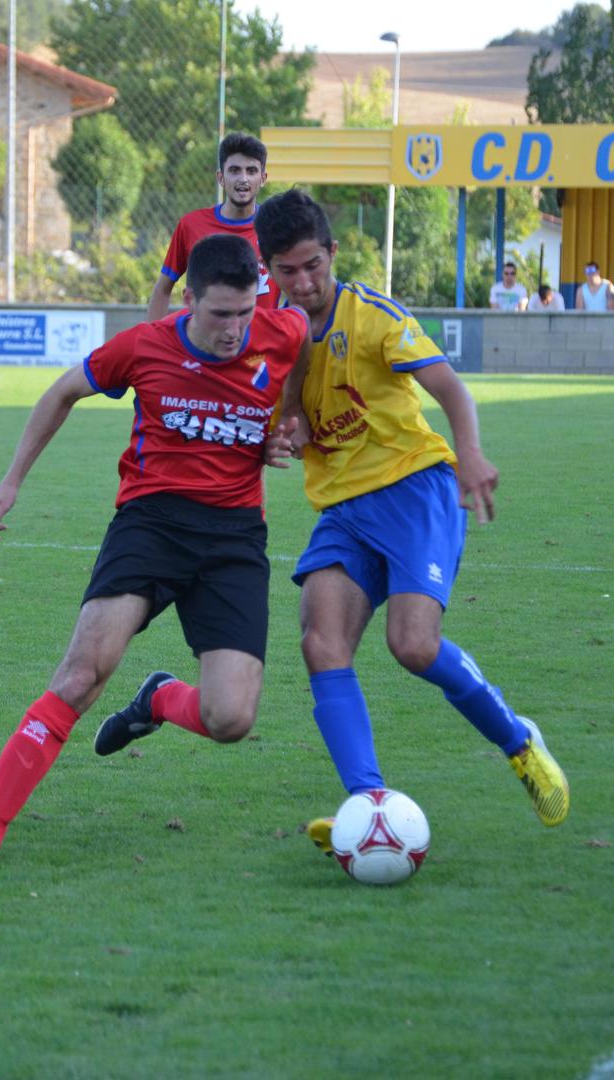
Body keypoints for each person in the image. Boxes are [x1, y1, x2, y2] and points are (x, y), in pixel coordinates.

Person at [0, 233, 310, 865]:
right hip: (151, 524)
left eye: (245, 313)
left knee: (231, 719)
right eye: (221, 314)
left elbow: (299, 364)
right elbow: (61, 392)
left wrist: (283, 427)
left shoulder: (282, 331)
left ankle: (159, 698)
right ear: (188, 300)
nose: (234, 330)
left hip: (234, 537)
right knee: (80, 676)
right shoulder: (143, 345)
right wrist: (11, 481)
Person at [250, 189, 570, 850]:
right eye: (287, 270)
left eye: (313, 265)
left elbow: (450, 387)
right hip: (342, 509)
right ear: (269, 269)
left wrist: (470, 454)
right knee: (320, 643)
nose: (303, 282)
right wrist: (282, 432)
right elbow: (284, 422)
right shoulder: (270, 336)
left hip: (414, 489)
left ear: (333, 253)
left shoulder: (371, 316)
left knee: (414, 646)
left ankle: (518, 741)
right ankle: (368, 804)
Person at [147, 133, 279, 322]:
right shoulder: (191, 225)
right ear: (221, 177)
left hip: (261, 341)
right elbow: (162, 289)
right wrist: (152, 337)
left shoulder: (276, 227)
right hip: (206, 340)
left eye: (251, 171)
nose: (243, 179)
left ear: (263, 178)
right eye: (234, 170)